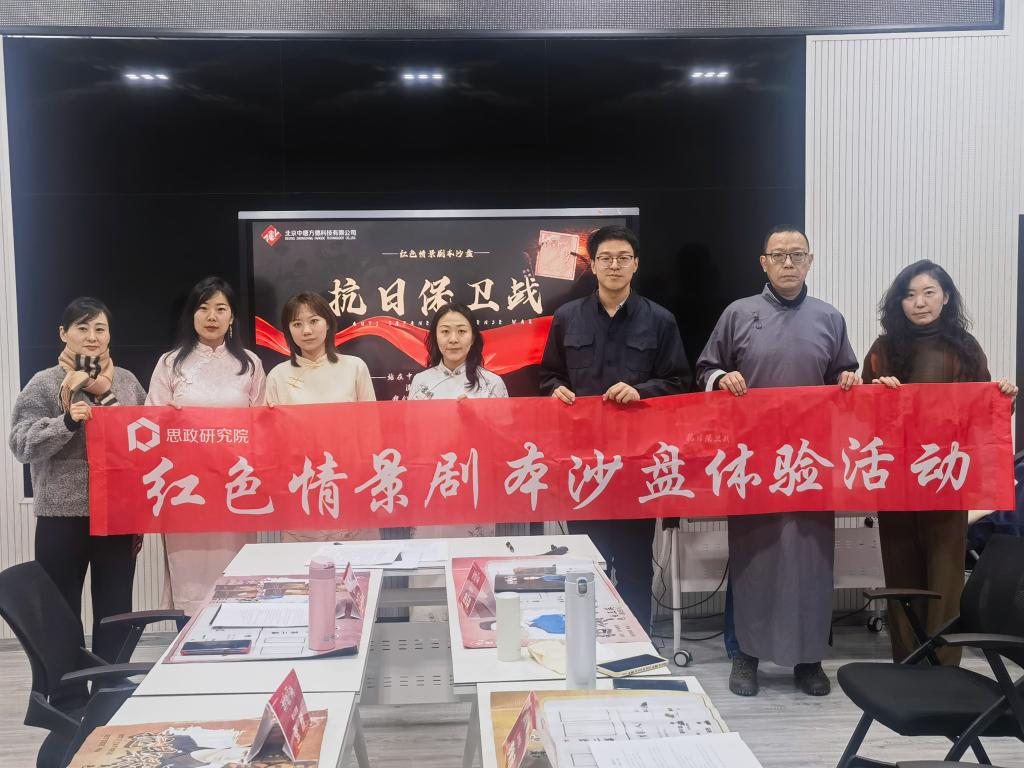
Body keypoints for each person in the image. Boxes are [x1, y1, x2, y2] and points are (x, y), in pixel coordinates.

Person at [696, 226, 860, 697]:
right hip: (753, 460)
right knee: (754, 557)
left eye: (797, 255)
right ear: (763, 263)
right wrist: (722, 378)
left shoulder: (829, 317)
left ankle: (809, 661)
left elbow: (844, 373)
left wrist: (848, 379)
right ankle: (745, 656)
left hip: (810, 461)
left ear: (810, 261)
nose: (789, 263)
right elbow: (705, 368)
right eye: (779, 255)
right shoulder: (738, 313)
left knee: (811, 559)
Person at [862, 259, 1018, 665]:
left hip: (948, 476)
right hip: (897, 480)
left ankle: (944, 668)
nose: (919, 302)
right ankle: (906, 663)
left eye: (928, 292)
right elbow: (861, 416)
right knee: (901, 573)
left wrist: (1003, 398)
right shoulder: (882, 351)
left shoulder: (965, 348)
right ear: (899, 303)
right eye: (910, 295)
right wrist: (876, 393)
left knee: (946, 576)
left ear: (945, 297)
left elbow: (983, 414)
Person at [539, 224, 692, 632]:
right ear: (592, 265)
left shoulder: (660, 320)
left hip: (636, 464)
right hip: (582, 463)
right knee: (586, 562)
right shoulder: (567, 317)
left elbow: (680, 382)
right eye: (605, 258)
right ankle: (587, 643)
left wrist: (641, 391)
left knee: (634, 561)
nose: (614, 265)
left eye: (623, 258)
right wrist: (556, 390)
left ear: (636, 264)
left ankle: (637, 644)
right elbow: (549, 376)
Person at [9, 297, 146, 662]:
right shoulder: (45, 383)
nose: (91, 337)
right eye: (82, 328)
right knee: (59, 613)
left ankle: (111, 689)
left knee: (117, 612)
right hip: (61, 518)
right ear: (63, 334)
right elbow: (21, 444)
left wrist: (112, 401)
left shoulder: (127, 383)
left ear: (109, 334)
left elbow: (146, 439)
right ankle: (65, 691)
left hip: (116, 517)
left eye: (100, 328)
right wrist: (66, 422)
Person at [146, 277, 266, 616]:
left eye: (220, 309)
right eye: (203, 308)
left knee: (235, 572)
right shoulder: (170, 362)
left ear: (232, 317)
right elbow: (149, 422)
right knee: (189, 572)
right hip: (185, 488)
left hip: (234, 487)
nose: (212, 316)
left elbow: (262, 427)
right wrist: (165, 417)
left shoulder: (250, 364)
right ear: (192, 314)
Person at [266, 291, 376, 542]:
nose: (306, 330)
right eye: (297, 324)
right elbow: (269, 441)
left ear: (328, 323)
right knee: (304, 562)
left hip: (349, 480)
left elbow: (370, 430)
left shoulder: (355, 367)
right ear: (288, 331)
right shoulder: (277, 376)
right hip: (301, 484)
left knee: (355, 561)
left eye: (314, 321)